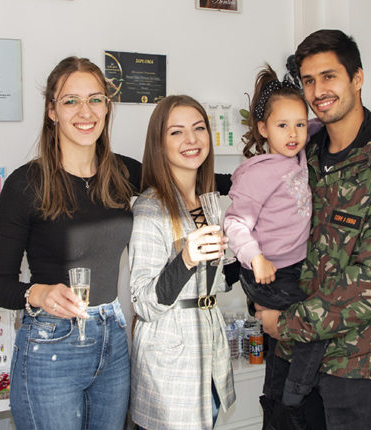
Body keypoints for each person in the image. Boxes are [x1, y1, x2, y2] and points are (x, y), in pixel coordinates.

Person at [256, 29, 371, 430]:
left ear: (357, 78)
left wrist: (284, 323)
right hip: (289, 361)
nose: (318, 91)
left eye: (329, 76)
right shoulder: (301, 155)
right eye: (308, 80)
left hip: (352, 371)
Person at [0, 57, 140, 430]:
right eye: (71, 101)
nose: (86, 112)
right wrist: (38, 293)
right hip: (51, 344)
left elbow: (187, 180)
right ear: (52, 111)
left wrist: (262, 172)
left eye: (96, 99)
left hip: (112, 339)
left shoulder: (124, 173)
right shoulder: (25, 185)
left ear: (107, 106)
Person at [223, 64, 327, 429]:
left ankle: (282, 399)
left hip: (292, 267)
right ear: (263, 129)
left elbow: (319, 124)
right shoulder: (259, 172)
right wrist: (256, 257)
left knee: (290, 339)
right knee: (311, 329)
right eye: (282, 125)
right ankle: (294, 398)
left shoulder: (297, 151)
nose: (294, 133)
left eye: (299, 124)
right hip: (268, 270)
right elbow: (235, 222)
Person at [129, 95, 235, 430]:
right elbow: (143, 303)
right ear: (159, 144)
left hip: (209, 353)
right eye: (176, 132)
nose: (191, 139)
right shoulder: (150, 208)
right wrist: (186, 258)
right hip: (171, 364)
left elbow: (212, 282)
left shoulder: (207, 202)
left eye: (199, 128)